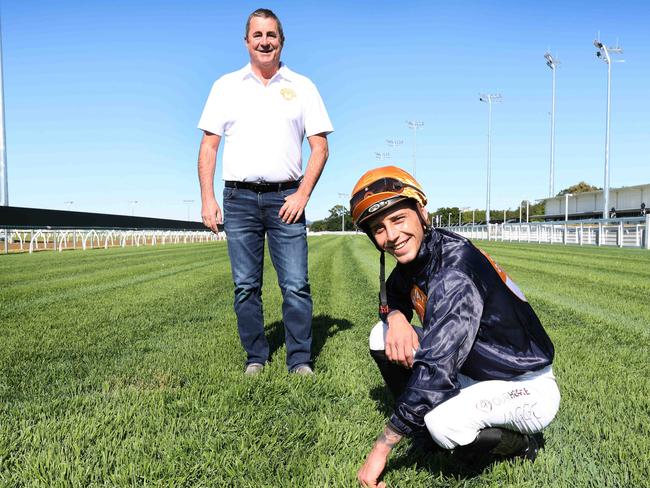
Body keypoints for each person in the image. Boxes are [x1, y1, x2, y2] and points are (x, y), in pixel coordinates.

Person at [351, 167, 560, 487]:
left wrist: (382, 447)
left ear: (421, 212)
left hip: (523, 384)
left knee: (443, 424)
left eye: (398, 219)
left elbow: (436, 368)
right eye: (379, 228)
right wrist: (396, 318)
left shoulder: (453, 270)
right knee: (381, 336)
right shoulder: (420, 254)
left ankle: (522, 445)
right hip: (476, 369)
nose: (391, 236)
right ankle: (423, 434)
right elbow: (392, 295)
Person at [197, 8, 333, 375]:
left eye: (271, 35)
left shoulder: (303, 86)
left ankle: (300, 360)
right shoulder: (225, 86)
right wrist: (208, 199)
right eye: (257, 35)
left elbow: (320, 147)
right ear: (246, 42)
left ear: (282, 41)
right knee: (245, 286)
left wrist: (302, 195)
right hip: (238, 200)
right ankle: (256, 357)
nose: (265, 41)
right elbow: (209, 146)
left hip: (286, 198)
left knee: (295, 285)